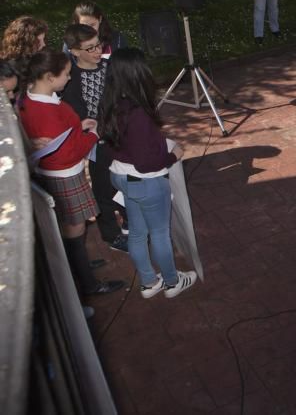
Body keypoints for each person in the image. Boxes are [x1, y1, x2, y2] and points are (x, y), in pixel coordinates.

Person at [19, 50, 125, 297]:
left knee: (72, 228)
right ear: (48, 76)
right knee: (75, 230)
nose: (69, 79)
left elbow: (62, 132)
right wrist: (94, 135)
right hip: (65, 175)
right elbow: (68, 152)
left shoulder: (32, 98)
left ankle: (80, 267)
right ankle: (88, 283)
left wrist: (78, 126)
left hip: (58, 173)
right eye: (66, 75)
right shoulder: (45, 111)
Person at [95, 48, 196, 298]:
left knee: (138, 233)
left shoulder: (110, 103)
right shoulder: (138, 112)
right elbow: (147, 163)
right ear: (138, 73)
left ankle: (149, 283)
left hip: (121, 176)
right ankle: (172, 283)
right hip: (145, 181)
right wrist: (174, 155)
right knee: (160, 233)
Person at [61, 24, 128, 252]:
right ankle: (111, 235)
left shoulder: (109, 67)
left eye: (99, 44)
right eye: (90, 48)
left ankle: (131, 222)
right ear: (74, 51)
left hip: (120, 134)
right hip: (97, 141)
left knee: (127, 179)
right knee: (103, 189)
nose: (98, 51)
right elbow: (75, 113)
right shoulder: (71, 78)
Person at [0, 15, 48, 92]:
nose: (44, 44)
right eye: (39, 41)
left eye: (43, 39)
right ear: (27, 42)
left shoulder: (29, 61)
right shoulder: (12, 68)